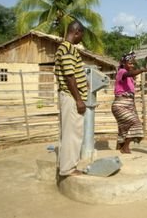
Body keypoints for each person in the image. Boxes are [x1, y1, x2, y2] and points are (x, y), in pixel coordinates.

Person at [54, 20, 87, 176]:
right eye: (81, 35)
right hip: (71, 97)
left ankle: (65, 164)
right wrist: (79, 100)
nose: (81, 38)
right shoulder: (67, 49)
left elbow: (71, 73)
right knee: (72, 134)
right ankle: (68, 168)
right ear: (77, 32)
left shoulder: (65, 48)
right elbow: (69, 76)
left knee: (68, 132)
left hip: (69, 96)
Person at [111, 52, 147, 154]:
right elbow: (128, 74)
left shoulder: (130, 77)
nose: (132, 65)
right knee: (135, 123)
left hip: (128, 104)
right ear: (124, 63)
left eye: (133, 64)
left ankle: (119, 147)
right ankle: (125, 147)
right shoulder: (122, 72)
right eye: (130, 63)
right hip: (120, 104)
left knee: (123, 127)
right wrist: (142, 70)